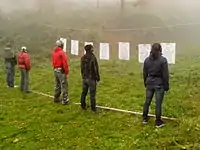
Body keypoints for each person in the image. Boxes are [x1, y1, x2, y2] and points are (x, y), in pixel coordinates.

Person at [142, 43, 169, 128]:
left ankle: (144, 118)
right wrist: (166, 85)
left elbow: (144, 73)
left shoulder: (146, 60)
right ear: (160, 50)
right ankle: (158, 122)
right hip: (159, 84)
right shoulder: (163, 60)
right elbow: (165, 74)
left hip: (149, 82)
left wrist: (145, 82)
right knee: (158, 103)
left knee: (147, 101)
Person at [80, 44, 100, 112]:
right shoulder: (92, 58)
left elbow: (82, 69)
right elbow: (95, 68)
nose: (93, 49)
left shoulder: (83, 58)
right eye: (92, 48)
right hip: (91, 78)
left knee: (84, 93)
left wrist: (83, 76)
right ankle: (93, 109)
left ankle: (83, 106)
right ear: (90, 49)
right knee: (92, 94)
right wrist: (97, 77)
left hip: (85, 78)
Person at [52, 40, 69, 105]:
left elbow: (53, 61)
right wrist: (66, 71)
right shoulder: (62, 52)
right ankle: (65, 100)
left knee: (57, 85)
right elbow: (65, 62)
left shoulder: (54, 52)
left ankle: (56, 98)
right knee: (64, 85)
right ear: (61, 45)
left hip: (55, 69)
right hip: (61, 70)